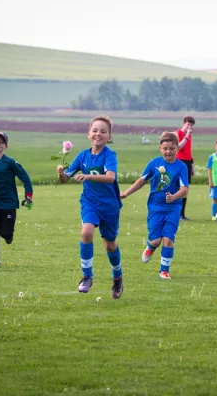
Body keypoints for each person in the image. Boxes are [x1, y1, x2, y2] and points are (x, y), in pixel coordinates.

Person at [56, 116, 124, 299]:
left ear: (109, 136)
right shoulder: (82, 156)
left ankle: (117, 277)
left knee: (110, 245)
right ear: (89, 134)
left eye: (103, 131)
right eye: (95, 130)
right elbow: (65, 179)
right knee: (86, 233)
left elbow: (110, 177)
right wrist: (61, 173)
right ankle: (87, 277)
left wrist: (88, 176)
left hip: (109, 206)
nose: (98, 134)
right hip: (90, 203)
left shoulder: (109, 155)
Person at [120, 132, 188, 279]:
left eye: (172, 148)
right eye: (165, 148)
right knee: (156, 241)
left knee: (168, 239)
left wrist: (174, 197)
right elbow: (141, 180)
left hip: (173, 208)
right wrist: (126, 193)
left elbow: (184, 189)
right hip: (155, 208)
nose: (168, 151)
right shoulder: (154, 163)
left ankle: (164, 270)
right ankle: (150, 247)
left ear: (177, 148)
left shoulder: (181, 167)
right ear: (160, 148)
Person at [0, 131, 33, 268]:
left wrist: (28, 196)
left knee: (6, 233)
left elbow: (25, 178)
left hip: (9, 203)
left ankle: (9, 236)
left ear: (6, 146)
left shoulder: (10, 163)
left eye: (1, 142)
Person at [175, 116, 195, 221]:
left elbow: (189, 151)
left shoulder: (189, 136)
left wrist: (192, 165)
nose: (189, 127)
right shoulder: (178, 133)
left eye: (191, 125)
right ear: (184, 123)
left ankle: (182, 214)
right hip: (180, 161)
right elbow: (179, 147)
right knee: (179, 187)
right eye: (188, 124)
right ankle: (176, 213)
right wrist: (186, 135)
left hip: (187, 162)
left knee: (186, 188)